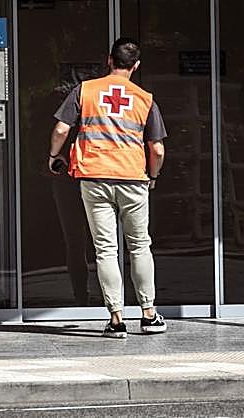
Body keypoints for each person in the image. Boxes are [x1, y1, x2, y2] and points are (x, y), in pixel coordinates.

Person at [48, 37, 167, 338]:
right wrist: (152, 175)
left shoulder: (85, 90)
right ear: (136, 66)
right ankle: (149, 314)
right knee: (139, 245)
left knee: (105, 250)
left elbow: (62, 128)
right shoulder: (145, 98)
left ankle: (116, 320)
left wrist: (53, 157)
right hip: (132, 178)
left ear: (109, 60)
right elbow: (158, 149)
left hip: (94, 177)